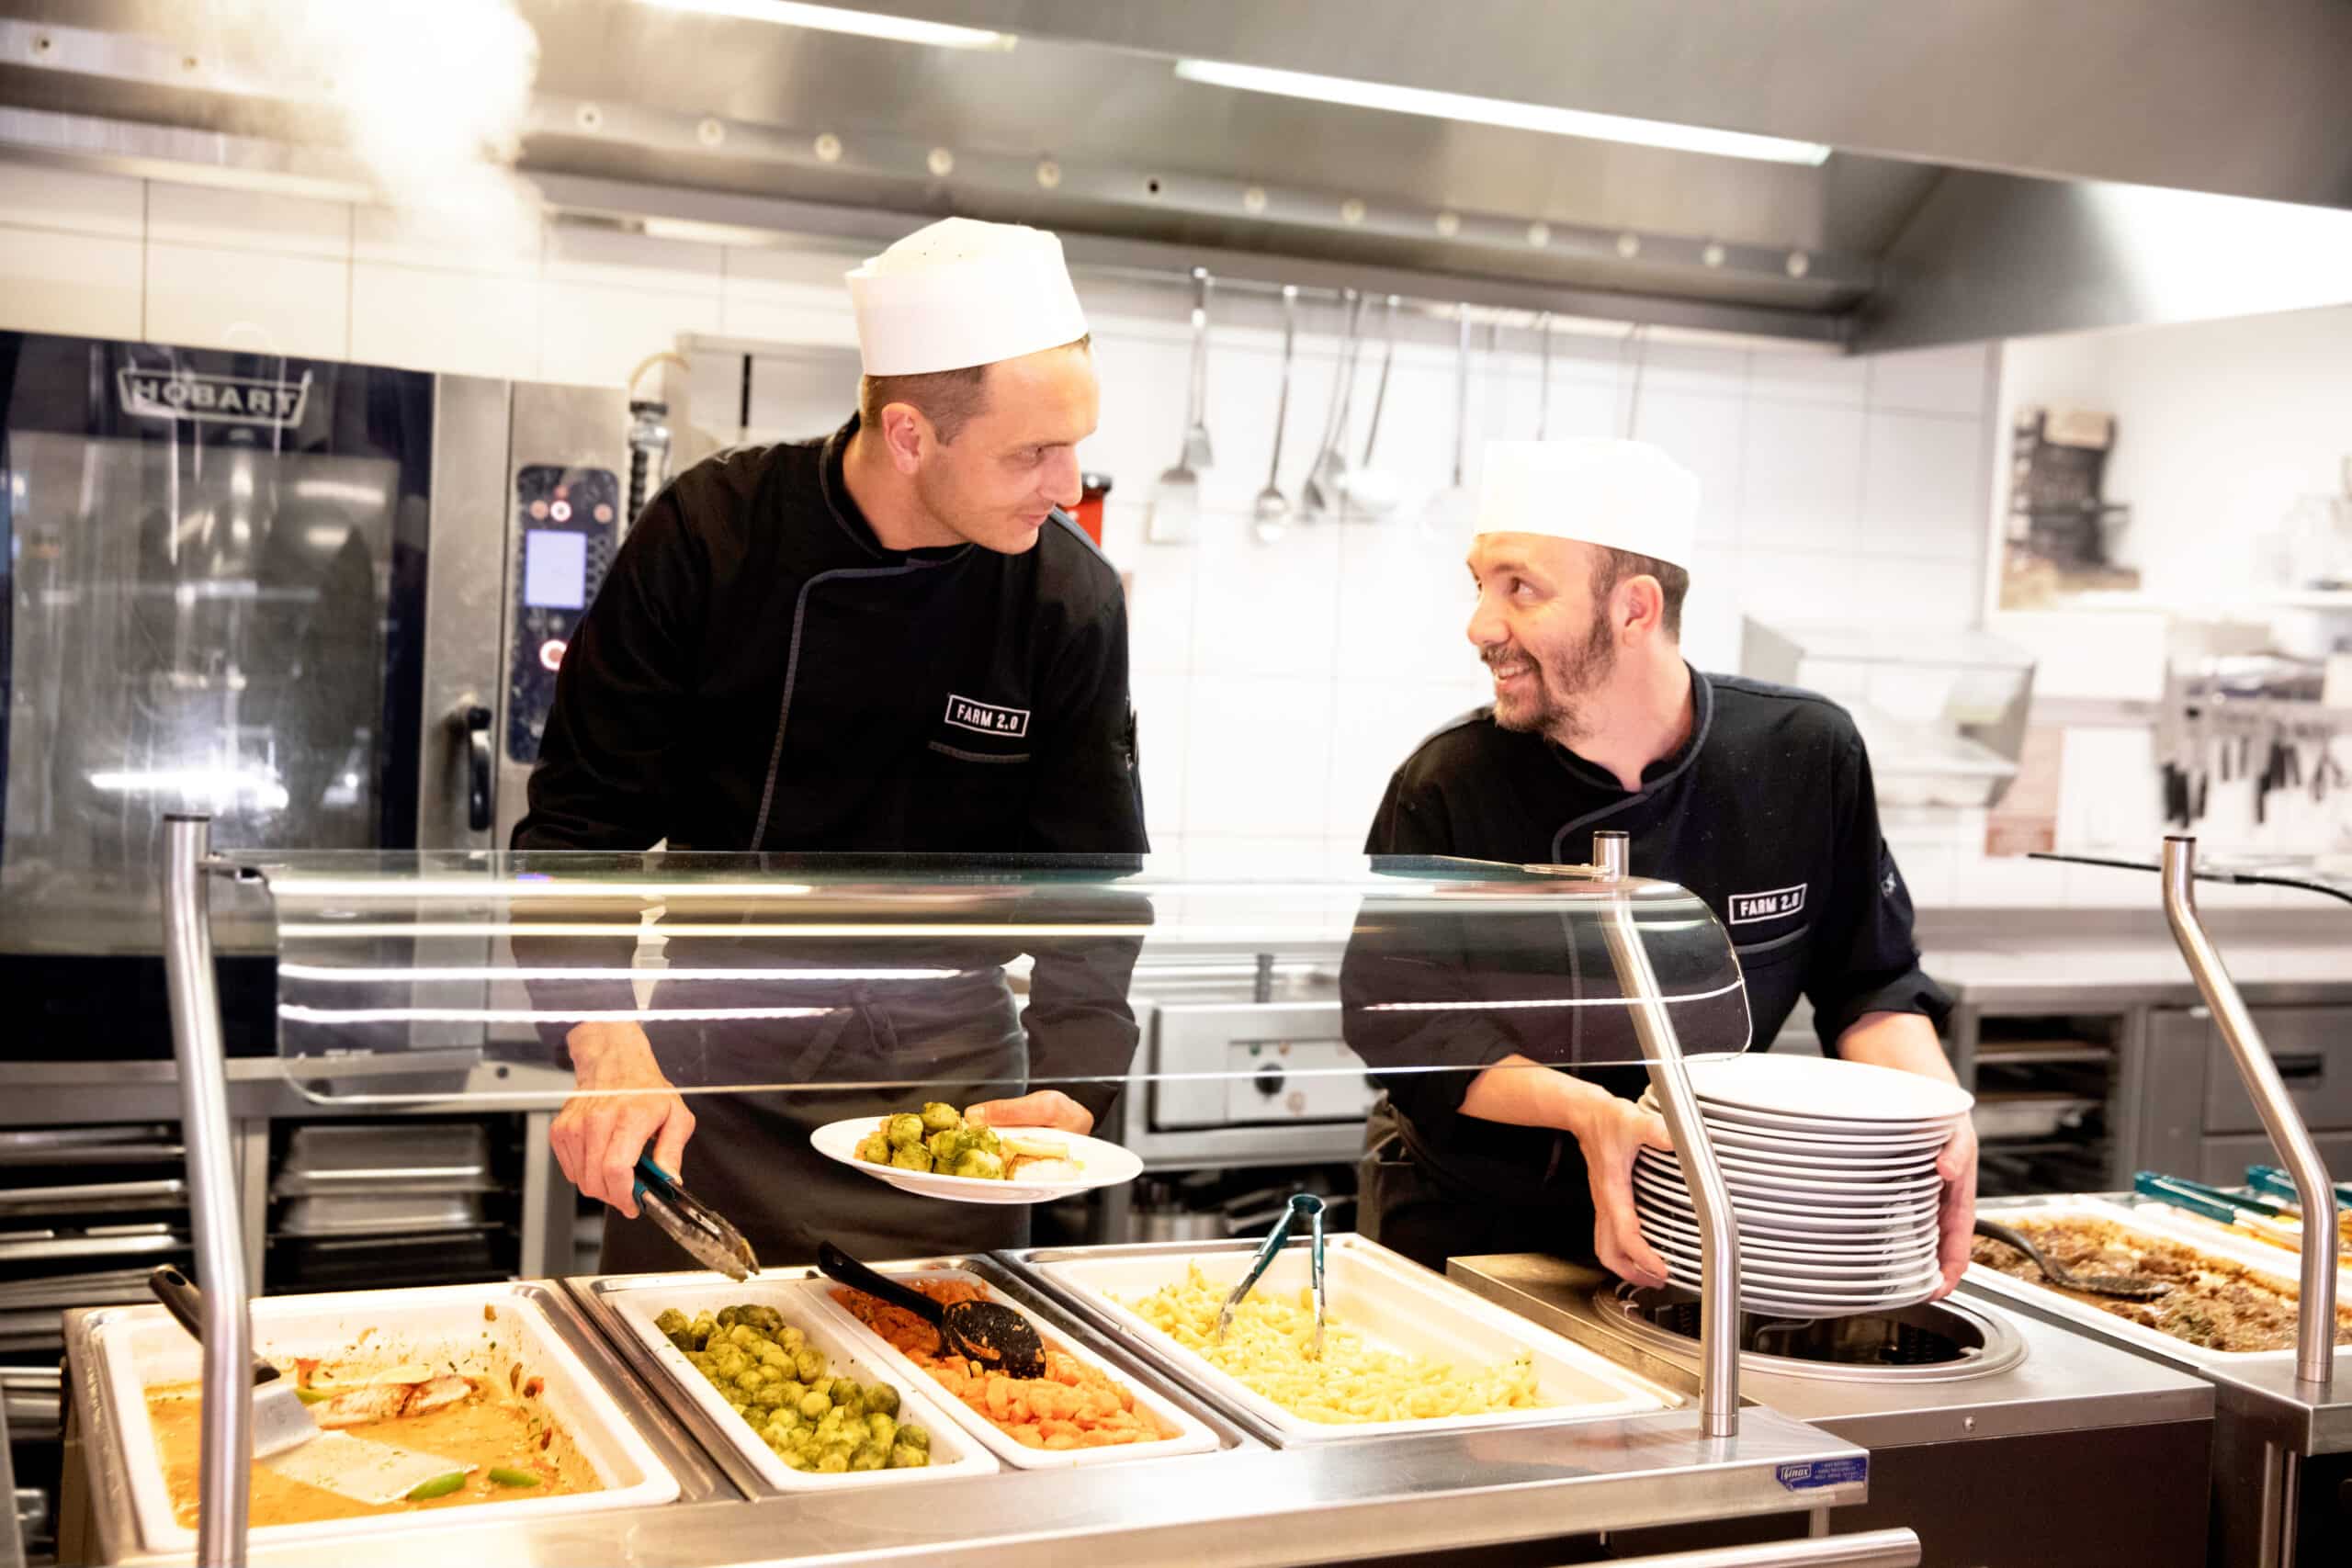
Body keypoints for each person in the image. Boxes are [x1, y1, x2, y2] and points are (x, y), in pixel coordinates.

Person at [511, 216, 1148, 1269]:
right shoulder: (712, 537)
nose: (1066, 483)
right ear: (908, 435)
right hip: (712, 1084)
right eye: (1032, 452)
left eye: (1075, 444)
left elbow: (1093, 882)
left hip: (951, 1102)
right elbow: (576, 835)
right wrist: (603, 1039)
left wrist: (1072, 1086)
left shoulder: (1067, 597)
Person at [1345, 438, 1976, 1297]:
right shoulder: (1449, 782)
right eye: (1480, 584)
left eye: (1519, 587)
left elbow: (1870, 982)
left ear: (1634, 609)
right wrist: (1587, 1113)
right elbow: (1408, 1030)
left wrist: (1940, 1115)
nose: (1480, 625)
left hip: (1707, 1228)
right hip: (1470, 1229)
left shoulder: (1804, 753)